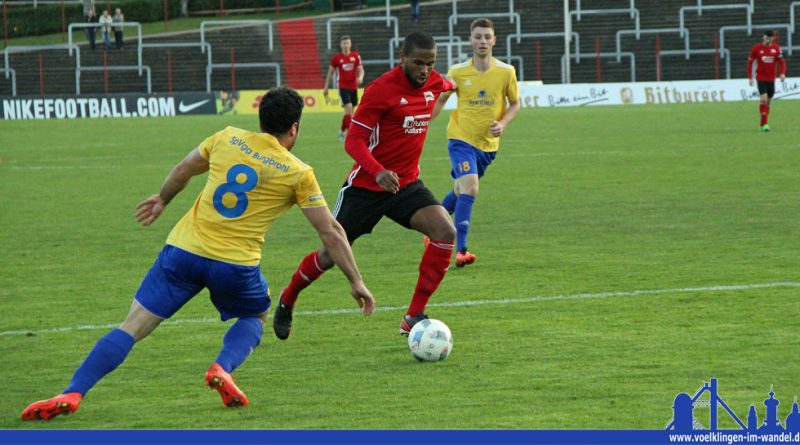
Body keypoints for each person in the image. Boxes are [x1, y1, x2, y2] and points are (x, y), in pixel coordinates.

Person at [20, 87, 375, 421]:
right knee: (256, 315)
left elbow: (183, 170)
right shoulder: (299, 173)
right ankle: (221, 367)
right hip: (235, 265)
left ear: (260, 119)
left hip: (183, 251)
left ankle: (74, 392)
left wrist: (162, 199)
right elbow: (330, 230)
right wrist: (355, 279)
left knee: (131, 327)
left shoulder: (227, 137)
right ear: (294, 129)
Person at [273, 31, 456, 340]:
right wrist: (378, 170)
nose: (424, 70)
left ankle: (413, 316)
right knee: (329, 256)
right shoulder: (380, 90)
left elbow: (451, 84)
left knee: (445, 232)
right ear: (402, 57)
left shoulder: (436, 83)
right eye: (418, 63)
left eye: (430, 63)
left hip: (406, 185)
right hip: (366, 187)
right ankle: (288, 297)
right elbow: (354, 141)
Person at [431, 18, 520, 267]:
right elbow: (439, 101)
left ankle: (431, 224)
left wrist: (502, 124)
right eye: (478, 36)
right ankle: (461, 250)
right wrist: (422, 123)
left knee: (460, 191)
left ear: (494, 40)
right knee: (470, 188)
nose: (482, 41)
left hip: (488, 146)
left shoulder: (506, 72)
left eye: (486, 36)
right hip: (460, 139)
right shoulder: (457, 72)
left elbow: (515, 104)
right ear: (471, 40)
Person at [323, 35, 364, 142]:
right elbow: (330, 73)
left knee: (350, 113)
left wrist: (360, 77)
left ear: (350, 44)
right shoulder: (337, 58)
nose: (346, 45)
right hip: (342, 87)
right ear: (341, 45)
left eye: (347, 43)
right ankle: (352, 135)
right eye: (344, 43)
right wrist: (326, 87)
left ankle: (341, 132)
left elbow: (361, 69)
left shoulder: (356, 56)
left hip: (354, 87)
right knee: (349, 108)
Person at [747, 29, 787, 132]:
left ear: (773, 38)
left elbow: (782, 62)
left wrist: (782, 73)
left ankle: (763, 122)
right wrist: (750, 77)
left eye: (770, 37)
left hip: (771, 79)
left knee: (768, 103)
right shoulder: (756, 49)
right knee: (763, 99)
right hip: (760, 78)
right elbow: (750, 63)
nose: (768, 39)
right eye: (766, 37)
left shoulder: (776, 49)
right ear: (763, 37)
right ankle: (765, 125)